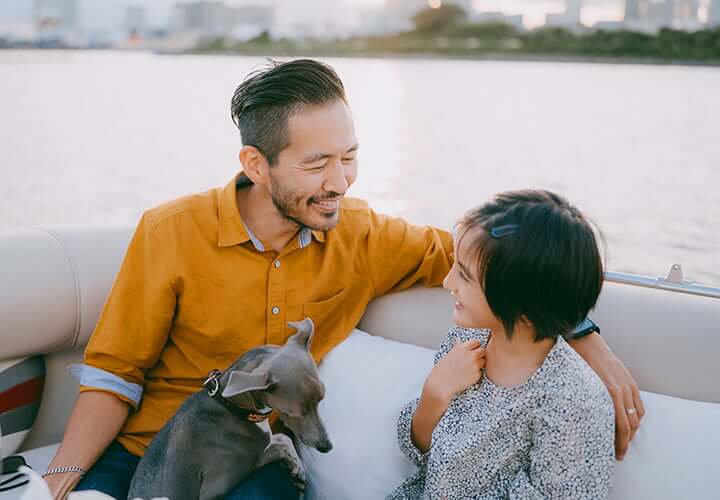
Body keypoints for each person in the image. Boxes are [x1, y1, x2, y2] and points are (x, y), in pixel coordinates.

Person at [43, 59, 643, 500]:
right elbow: (114, 374)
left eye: (349, 156)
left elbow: (505, 272)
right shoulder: (169, 231)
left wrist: (587, 336)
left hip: (259, 465)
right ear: (257, 164)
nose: (341, 181)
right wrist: (58, 482)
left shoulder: (363, 233)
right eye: (317, 164)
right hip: (147, 450)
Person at [388, 190, 615, 499]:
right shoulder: (466, 340)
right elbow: (418, 456)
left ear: (520, 301)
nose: (447, 283)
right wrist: (434, 395)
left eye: (465, 277)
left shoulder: (574, 402)